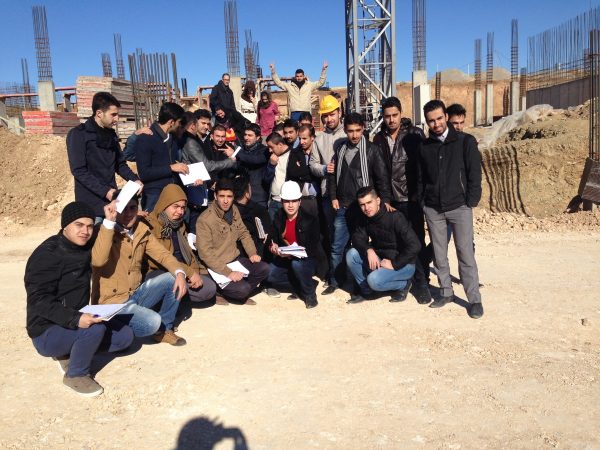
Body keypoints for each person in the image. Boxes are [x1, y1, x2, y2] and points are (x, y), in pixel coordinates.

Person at [25, 202, 134, 397]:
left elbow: (102, 252)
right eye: (79, 225)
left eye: (89, 226)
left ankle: (70, 350)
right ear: (65, 226)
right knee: (94, 330)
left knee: (124, 336)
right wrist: (76, 319)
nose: (85, 231)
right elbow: (39, 300)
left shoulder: (83, 246)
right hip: (46, 330)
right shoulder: (47, 254)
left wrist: (110, 220)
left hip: (76, 317)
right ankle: (75, 374)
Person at [92, 195, 189, 345]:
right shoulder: (103, 230)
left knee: (174, 278)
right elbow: (98, 260)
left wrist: (180, 273)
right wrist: (109, 222)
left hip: (135, 294)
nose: (128, 213)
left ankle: (164, 330)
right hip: (112, 302)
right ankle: (113, 325)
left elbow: (163, 255)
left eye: (132, 208)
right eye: (123, 209)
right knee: (153, 322)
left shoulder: (141, 230)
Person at [418, 100, 484, 319]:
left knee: (465, 253)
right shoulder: (425, 147)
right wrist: (424, 202)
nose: (436, 124)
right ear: (427, 122)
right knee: (439, 255)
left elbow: (474, 173)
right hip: (434, 209)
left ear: (446, 116)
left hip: (459, 206)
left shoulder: (465, 142)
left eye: (439, 118)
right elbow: (420, 178)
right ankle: (446, 292)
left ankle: (474, 299)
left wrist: (470, 201)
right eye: (431, 121)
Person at [324, 112, 392, 296]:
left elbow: (382, 179)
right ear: (345, 131)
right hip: (344, 207)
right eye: (350, 131)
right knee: (337, 247)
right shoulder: (340, 150)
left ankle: (362, 283)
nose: (354, 135)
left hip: (365, 208)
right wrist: (333, 197)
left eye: (357, 130)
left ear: (363, 129)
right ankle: (336, 281)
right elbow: (332, 176)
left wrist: (385, 201)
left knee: (362, 246)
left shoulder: (372, 150)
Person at [373, 96, 431, 304]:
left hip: (410, 199)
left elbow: (423, 167)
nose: (391, 120)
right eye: (387, 116)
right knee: (396, 244)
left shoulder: (414, 134)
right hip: (389, 202)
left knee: (416, 242)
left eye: (394, 115)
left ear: (401, 113)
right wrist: (384, 199)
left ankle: (422, 283)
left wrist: (419, 196)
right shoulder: (378, 139)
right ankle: (403, 283)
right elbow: (379, 172)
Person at [66, 91, 142, 220]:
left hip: (112, 200)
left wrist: (135, 180)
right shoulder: (78, 134)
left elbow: (120, 164)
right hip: (91, 204)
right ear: (99, 113)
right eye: (113, 115)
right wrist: (105, 191)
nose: (117, 119)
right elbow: (79, 170)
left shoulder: (111, 135)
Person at [195, 178, 270, 305]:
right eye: (222, 196)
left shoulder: (234, 210)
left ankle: (236, 290)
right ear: (215, 196)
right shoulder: (205, 219)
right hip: (216, 267)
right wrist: (228, 273)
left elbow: (243, 233)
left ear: (233, 197)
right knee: (244, 289)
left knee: (264, 268)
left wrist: (252, 253)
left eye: (229, 197)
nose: (225, 201)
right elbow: (205, 254)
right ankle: (221, 291)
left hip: (234, 260)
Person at [346, 186, 420, 304]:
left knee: (374, 280)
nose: (366, 208)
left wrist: (394, 264)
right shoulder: (364, 218)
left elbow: (415, 245)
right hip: (382, 261)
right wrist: (368, 250)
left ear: (378, 201)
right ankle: (367, 291)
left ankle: (404, 284)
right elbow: (357, 238)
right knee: (352, 254)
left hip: (403, 264)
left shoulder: (395, 217)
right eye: (362, 205)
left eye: (369, 202)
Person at [146, 184, 217, 303]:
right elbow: (157, 261)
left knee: (211, 285)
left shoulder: (179, 224)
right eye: (176, 207)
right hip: (162, 271)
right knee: (205, 289)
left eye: (183, 207)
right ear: (164, 204)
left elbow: (189, 253)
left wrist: (194, 271)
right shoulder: (151, 224)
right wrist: (189, 272)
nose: (180, 211)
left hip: (183, 269)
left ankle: (176, 298)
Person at [309, 95, 347, 288]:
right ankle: (335, 275)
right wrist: (324, 169)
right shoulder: (319, 139)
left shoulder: (349, 134)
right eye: (325, 116)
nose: (329, 119)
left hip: (349, 194)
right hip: (327, 195)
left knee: (352, 236)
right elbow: (313, 164)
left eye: (332, 114)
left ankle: (349, 273)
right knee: (332, 236)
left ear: (339, 112)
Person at [267, 181, 319, 309]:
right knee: (268, 274)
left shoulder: (310, 219)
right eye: (287, 201)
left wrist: (293, 253)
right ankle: (301, 285)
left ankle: (309, 294)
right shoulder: (279, 216)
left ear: (300, 201)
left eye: (294, 201)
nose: (290, 205)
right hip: (285, 259)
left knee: (297, 264)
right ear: (282, 202)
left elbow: (313, 248)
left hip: (305, 260)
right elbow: (272, 235)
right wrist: (272, 245)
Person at [136, 102, 189, 212]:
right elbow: (144, 173)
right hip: (155, 196)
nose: (179, 125)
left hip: (173, 192)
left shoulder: (172, 138)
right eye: (179, 122)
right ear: (171, 122)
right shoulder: (146, 138)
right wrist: (171, 168)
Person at [287, 124, 319, 218]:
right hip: (302, 197)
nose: (301, 142)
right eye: (300, 138)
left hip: (318, 197)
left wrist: (302, 170)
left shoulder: (319, 152)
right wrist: (310, 170)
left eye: (304, 138)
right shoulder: (295, 152)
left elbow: (318, 173)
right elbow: (292, 172)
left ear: (312, 138)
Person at [235, 123, 270, 207]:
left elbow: (254, 160)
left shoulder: (264, 150)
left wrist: (236, 153)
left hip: (258, 196)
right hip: (242, 194)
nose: (246, 138)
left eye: (250, 135)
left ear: (257, 137)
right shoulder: (242, 149)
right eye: (245, 135)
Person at [264, 132, 293, 220]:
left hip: (287, 202)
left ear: (280, 145)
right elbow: (266, 179)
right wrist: (271, 165)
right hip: (273, 201)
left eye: (271, 147)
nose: (270, 150)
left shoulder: (292, 155)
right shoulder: (272, 157)